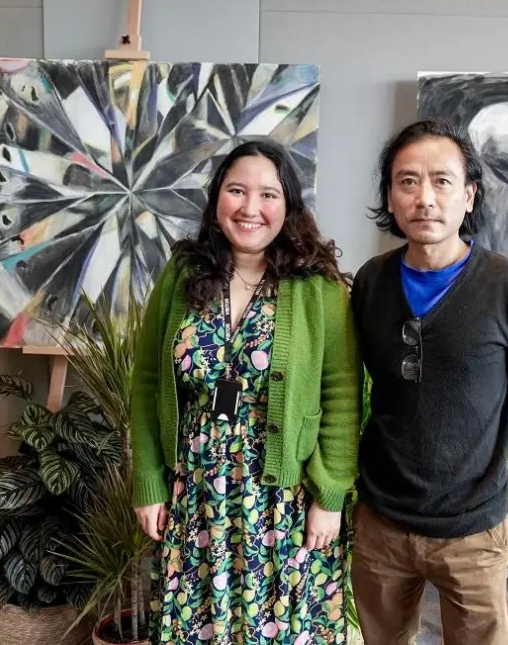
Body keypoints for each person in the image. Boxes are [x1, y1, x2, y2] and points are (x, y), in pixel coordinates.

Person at [130, 139, 362, 644]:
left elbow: (343, 393)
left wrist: (330, 494)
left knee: (282, 627)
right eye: (237, 190)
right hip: (197, 492)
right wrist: (149, 481)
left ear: (289, 205)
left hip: (285, 497)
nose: (250, 208)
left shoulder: (317, 285)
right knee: (201, 623)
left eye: (268, 194)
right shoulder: (183, 273)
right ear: (217, 200)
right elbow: (148, 381)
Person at [349, 120, 508, 645]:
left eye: (442, 181)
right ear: (390, 198)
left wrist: (468, 433)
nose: (425, 198)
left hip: (473, 527)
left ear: (468, 196)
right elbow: (360, 377)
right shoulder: (371, 282)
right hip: (382, 521)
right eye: (408, 181)